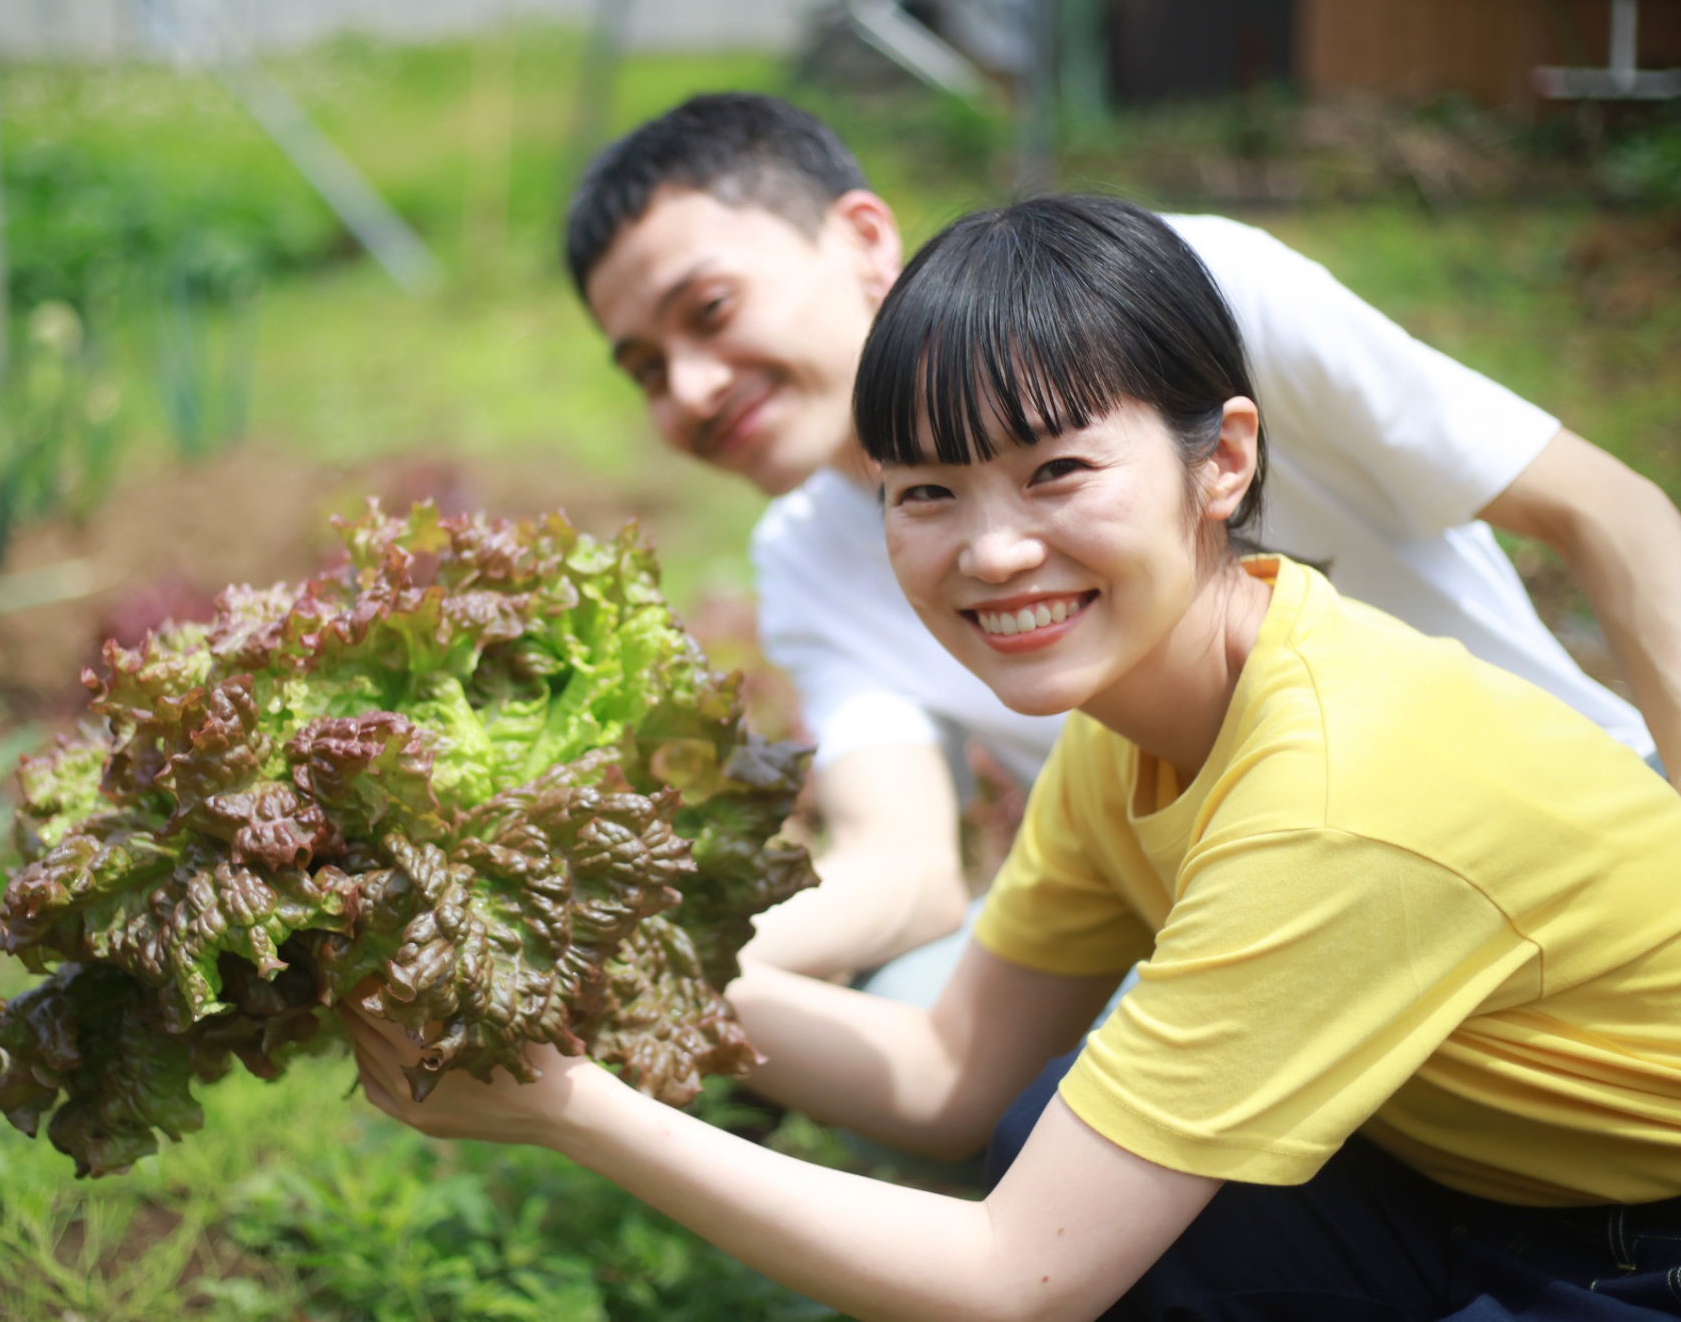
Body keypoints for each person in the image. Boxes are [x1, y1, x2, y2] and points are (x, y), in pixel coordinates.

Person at [347, 197, 1681, 1320]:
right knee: (1046, 1125)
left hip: (1643, 1237)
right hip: (1447, 1168)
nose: (989, 553)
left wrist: (573, 1106)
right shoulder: (1142, 721)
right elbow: (947, 1069)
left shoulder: (1333, 792)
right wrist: (591, 975)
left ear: (1222, 460)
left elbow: (1017, 1280)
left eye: (1055, 473)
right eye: (927, 493)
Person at [564, 93, 1681, 988]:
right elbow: (901, 871)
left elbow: (1608, 511)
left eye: (706, 312)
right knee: (917, 1004)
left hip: (1552, 852)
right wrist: (636, 963)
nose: (693, 391)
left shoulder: (1184, 301)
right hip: (1243, 935)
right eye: (646, 371)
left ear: (858, 237)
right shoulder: (805, 555)